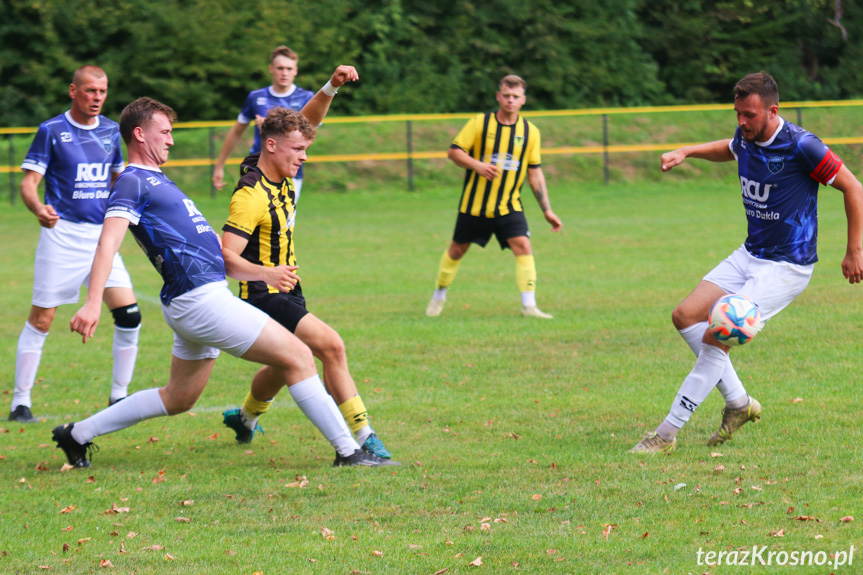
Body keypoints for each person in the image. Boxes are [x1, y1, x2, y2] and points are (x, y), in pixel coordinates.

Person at [54, 95, 398, 469]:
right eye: (165, 132)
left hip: (195, 297)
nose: (171, 140)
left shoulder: (154, 179)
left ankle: (75, 434)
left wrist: (262, 272)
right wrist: (92, 303)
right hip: (200, 300)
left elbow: (221, 257)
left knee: (179, 398)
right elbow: (108, 242)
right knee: (299, 356)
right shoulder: (132, 182)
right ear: (139, 134)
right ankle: (349, 451)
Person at [630, 72, 863, 454]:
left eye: (749, 114)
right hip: (750, 254)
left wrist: (855, 249)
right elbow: (731, 147)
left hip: (786, 266)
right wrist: (688, 151)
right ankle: (739, 404)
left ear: (773, 110)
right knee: (686, 315)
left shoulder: (802, 146)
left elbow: (853, 187)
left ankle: (666, 435)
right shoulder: (746, 135)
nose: (741, 121)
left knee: (717, 335)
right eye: (737, 113)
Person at [219, 99, 395, 459]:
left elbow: (302, 125)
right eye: (298, 150)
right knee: (331, 346)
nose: (304, 157)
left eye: (305, 149)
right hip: (263, 293)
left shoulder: (278, 168)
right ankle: (365, 436)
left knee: (284, 366)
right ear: (271, 146)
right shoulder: (251, 195)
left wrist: (332, 87)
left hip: (287, 287)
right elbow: (225, 257)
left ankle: (245, 419)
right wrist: (266, 272)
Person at [11, 66, 141, 423]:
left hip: (101, 237)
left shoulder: (114, 131)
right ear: (73, 91)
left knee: (129, 315)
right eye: (89, 91)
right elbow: (28, 183)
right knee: (42, 318)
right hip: (62, 235)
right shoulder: (51, 130)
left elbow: (120, 180)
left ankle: (119, 398)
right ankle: (20, 402)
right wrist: (38, 208)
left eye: (102, 91)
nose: (97, 97)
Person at [425, 74, 562, 319]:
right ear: (498, 97)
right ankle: (439, 296)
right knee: (456, 251)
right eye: (506, 95)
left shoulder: (530, 132)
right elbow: (454, 152)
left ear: (523, 100)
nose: (510, 100)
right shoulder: (480, 123)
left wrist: (547, 210)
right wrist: (477, 165)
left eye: (515, 97)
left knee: (523, 246)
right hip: (474, 206)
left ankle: (529, 306)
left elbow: (535, 173)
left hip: (508, 206)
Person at [212, 45, 315, 202]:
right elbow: (236, 131)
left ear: (296, 71)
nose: (284, 73)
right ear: (271, 69)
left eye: (289, 68)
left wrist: (271, 126)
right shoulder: (256, 97)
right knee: (251, 217)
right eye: (280, 68)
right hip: (256, 166)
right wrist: (219, 165)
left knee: (279, 223)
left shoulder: (306, 97)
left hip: (290, 168)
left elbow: (308, 135)